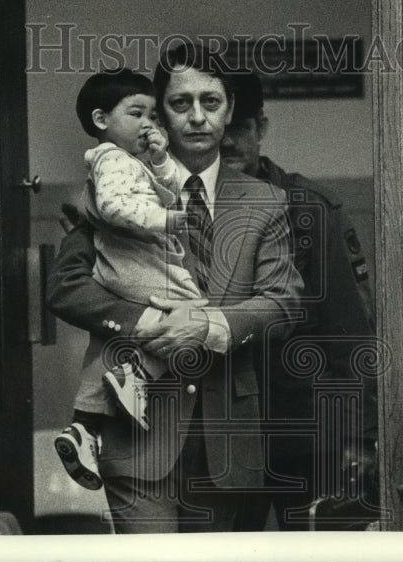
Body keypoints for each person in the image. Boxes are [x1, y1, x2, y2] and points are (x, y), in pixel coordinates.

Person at [46, 43, 305, 533]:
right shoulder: (114, 184)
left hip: (229, 440)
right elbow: (65, 286)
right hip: (136, 434)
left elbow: (283, 300)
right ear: (159, 113)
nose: (197, 117)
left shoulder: (266, 201)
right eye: (180, 103)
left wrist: (206, 325)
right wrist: (143, 322)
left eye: (211, 102)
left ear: (230, 110)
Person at [220, 71, 379, 530]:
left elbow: (349, 328)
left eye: (241, 128)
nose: (229, 142)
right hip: (225, 436)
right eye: (221, 129)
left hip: (308, 432)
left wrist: (360, 435)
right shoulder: (183, 204)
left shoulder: (308, 207)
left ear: (261, 129)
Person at [53, 68, 200, 491]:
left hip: (134, 263)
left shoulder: (130, 161)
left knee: (115, 341)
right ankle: (135, 371)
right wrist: (168, 219)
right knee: (191, 311)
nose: (149, 125)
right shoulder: (112, 161)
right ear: (102, 120)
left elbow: (169, 185)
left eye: (154, 116)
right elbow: (120, 208)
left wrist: (158, 158)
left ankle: (84, 427)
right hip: (131, 264)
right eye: (137, 114)